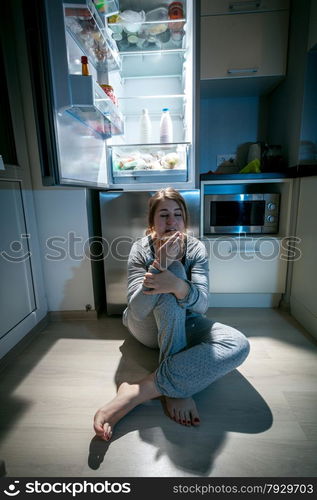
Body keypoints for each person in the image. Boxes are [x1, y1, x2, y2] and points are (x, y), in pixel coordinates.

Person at [94, 188, 250, 441]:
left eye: (177, 214)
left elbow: (200, 307)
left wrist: (177, 286)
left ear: (184, 219)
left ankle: (138, 391)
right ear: (152, 222)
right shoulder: (140, 249)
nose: (171, 221)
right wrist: (161, 265)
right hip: (144, 325)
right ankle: (177, 390)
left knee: (238, 344)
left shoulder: (196, 248)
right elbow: (137, 309)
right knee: (174, 271)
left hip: (186, 321)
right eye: (164, 215)